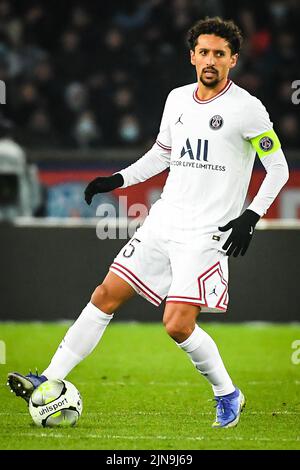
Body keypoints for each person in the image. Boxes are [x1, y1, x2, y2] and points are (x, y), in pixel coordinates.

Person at [8, 17, 289, 428]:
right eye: (204, 52)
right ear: (192, 56)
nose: (210, 60)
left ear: (233, 60)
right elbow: (162, 155)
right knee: (105, 294)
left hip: (207, 234)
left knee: (176, 325)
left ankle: (228, 393)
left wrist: (251, 215)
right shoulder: (177, 99)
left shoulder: (247, 109)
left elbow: (278, 168)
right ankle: (48, 379)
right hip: (163, 222)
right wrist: (118, 178)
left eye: (220, 54)